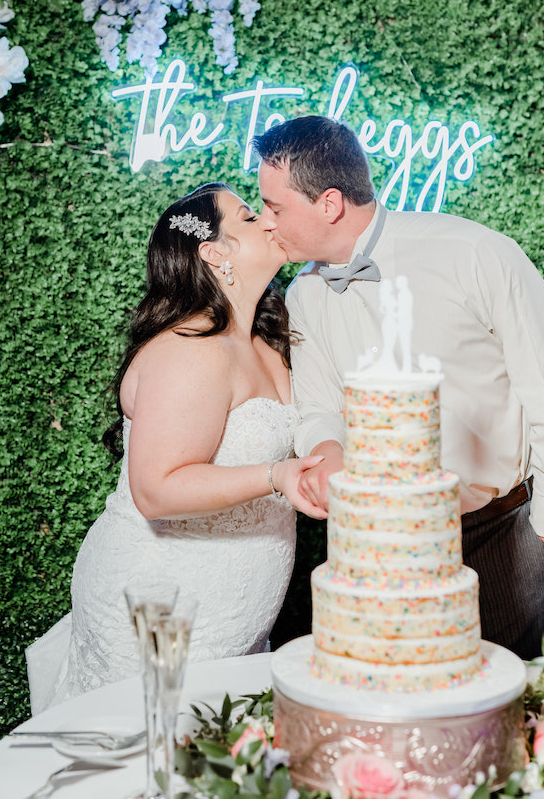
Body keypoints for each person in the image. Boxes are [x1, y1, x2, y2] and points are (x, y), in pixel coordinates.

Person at [252, 116, 544, 660]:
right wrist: (328, 452)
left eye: (274, 206)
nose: (267, 222)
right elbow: (316, 406)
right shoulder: (305, 295)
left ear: (330, 202)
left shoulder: (474, 254)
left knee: (502, 722)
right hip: (378, 547)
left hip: (497, 533)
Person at [25, 182, 325, 714]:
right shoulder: (189, 348)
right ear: (215, 253)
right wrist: (278, 476)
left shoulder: (265, 339)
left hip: (231, 611)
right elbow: (157, 489)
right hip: (161, 601)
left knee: (216, 768)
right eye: (250, 217)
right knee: (150, 762)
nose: (271, 222)